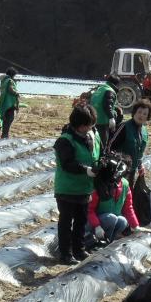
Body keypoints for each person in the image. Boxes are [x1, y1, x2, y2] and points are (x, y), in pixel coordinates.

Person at [54, 104, 101, 265]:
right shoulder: (64, 141)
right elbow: (67, 163)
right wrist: (86, 170)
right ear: (77, 124)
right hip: (67, 189)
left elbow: (97, 154)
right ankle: (65, 254)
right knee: (66, 222)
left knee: (81, 221)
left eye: (91, 124)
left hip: (84, 188)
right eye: (86, 125)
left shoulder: (92, 136)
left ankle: (79, 249)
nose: (89, 128)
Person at [110, 98, 151, 228]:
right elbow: (111, 146)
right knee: (117, 196)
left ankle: (126, 223)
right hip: (119, 170)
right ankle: (115, 223)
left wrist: (140, 165)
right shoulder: (124, 127)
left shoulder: (144, 131)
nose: (142, 116)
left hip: (133, 170)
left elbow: (140, 151)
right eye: (140, 112)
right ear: (134, 112)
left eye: (145, 114)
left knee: (128, 196)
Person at [87, 152, 139, 246]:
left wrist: (135, 226)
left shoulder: (125, 184)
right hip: (92, 221)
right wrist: (97, 226)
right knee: (111, 218)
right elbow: (89, 210)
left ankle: (107, 242)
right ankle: (91, 242)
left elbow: (128, 208)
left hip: (110, 220)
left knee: (122, 221)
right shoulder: (100, 183)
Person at [91, 74, 120, 147]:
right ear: (116, 84)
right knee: (102, 144)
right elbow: (107, 105)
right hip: (102, 121)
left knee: (94, 142)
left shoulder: (100, 89)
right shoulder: (110, 91)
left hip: (93, 119)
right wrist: (111, 117)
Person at [0, 67, 20, 139]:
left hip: (4, 103)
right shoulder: (9, 81)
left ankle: (2, 134)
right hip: (9, 103)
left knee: (4, 119)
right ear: (12, 74)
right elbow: (10, 89)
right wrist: (16, 93)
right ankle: (5, 135)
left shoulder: (4, 80)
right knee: (9, 119)